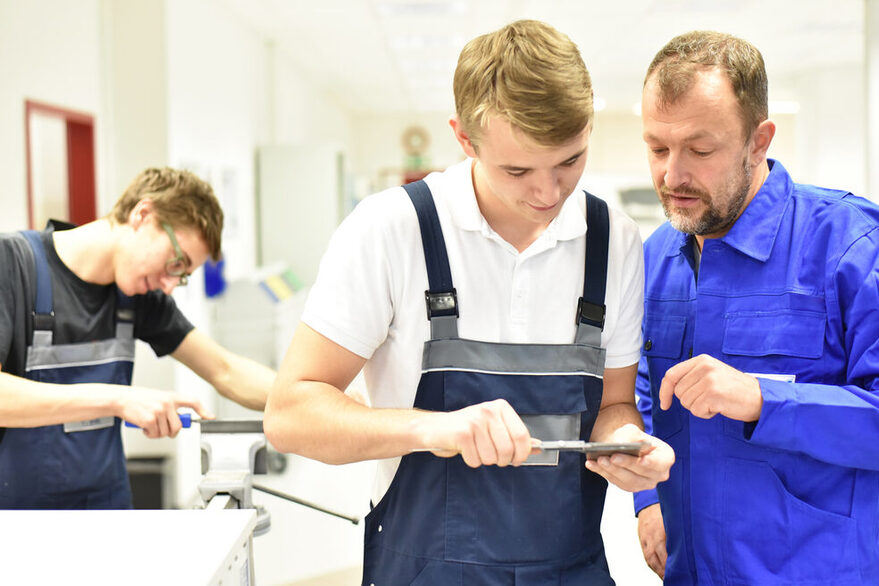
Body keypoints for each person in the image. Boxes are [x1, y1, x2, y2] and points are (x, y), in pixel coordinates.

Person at [265, 19, 673, 585]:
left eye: (569, 162)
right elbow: (291, 415)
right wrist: (433, 429)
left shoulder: (616, 241)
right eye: (517, 169)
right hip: (423, 570)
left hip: (568, 569)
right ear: (464, 138)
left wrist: (624, 444)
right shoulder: (393, 229)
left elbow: (613, 406)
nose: (548, 193)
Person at [634, 30, 879, 585]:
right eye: (657, 148)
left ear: (758, 140)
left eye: (699, 150)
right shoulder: (656, 259)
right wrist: (647, 499)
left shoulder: (850, 246)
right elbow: (644, 386)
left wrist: (761, 398)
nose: (672, 176)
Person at [0, 167, 275, 509]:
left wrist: (315, 395)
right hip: (17, 524)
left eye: (184, 276)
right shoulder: (12, 264)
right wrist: (119, 399)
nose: (172, 284)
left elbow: (225, 371)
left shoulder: (139, 297)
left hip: (109, 510)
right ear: (143, 214)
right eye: (177, 262)